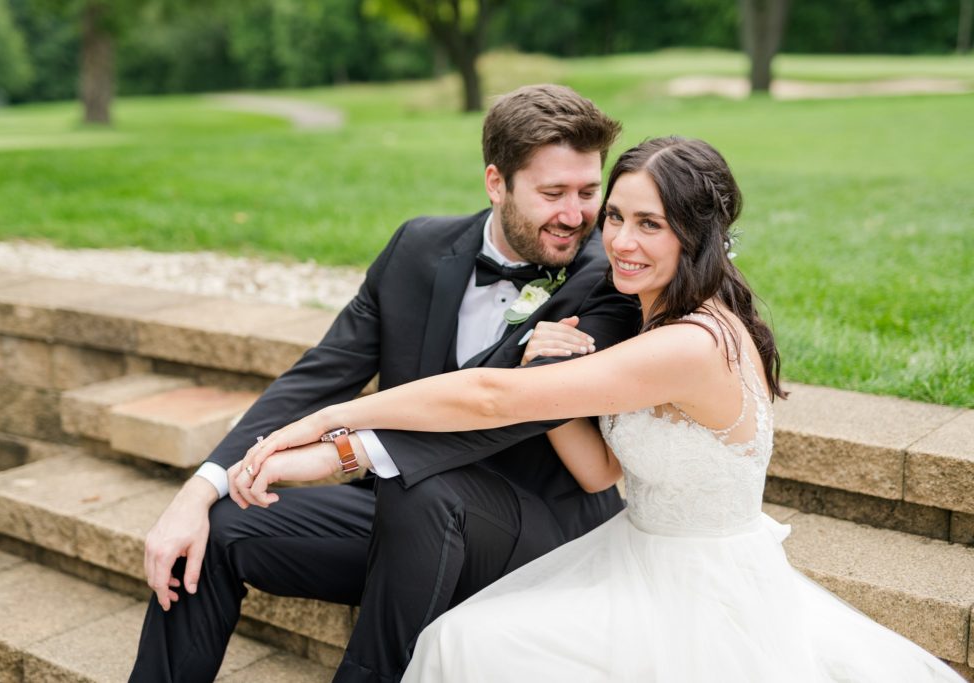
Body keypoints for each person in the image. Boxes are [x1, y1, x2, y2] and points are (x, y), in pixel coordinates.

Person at [242, 137, 963, 682]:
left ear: (697, 235)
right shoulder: (668, 318)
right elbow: (600, 471)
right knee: (464, 638)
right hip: (636, 550)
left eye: (650, 224)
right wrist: (557, 378)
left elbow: (490, 396)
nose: (619, 240)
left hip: (696, 586)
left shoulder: (689, 344)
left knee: (463, 643)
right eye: (614, 216)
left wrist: (327, 421)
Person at [129, 84, 640, 682]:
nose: (575, 216)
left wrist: (339, 453)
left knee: (424, 493)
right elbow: (322, 373)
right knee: (210, 532)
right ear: (496, 183)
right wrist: (199, 490)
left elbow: (502, 406)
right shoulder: (415, 248)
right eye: (552, 194)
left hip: (535, 532)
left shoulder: (611, 281)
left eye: (587, 192)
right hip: (401, 514)